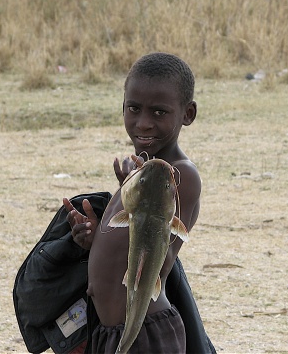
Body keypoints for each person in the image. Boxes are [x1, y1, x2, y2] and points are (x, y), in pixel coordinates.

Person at [63, 52, 204, 353]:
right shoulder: (141, 174)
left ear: (188, 114)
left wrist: (137, 192)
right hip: (110, 333)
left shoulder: (180, 175)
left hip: (146, 334)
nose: (143, 123)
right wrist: (94, 238)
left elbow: (157, 257)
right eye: (134, 108)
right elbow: (129, 245)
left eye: (159, 112)